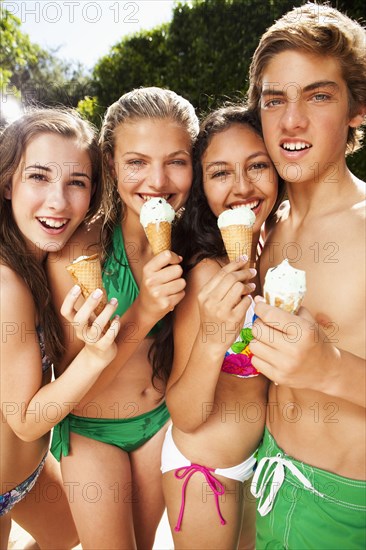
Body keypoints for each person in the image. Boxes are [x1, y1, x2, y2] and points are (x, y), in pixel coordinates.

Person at [46, 87, 199, 549]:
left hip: (157, 420)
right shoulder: (76, 254)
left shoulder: (193, 244)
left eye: (177, 160)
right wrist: (147, 306)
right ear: (110, 162)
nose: (158, 179)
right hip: (91, 429)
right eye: (137, 162)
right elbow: (78, 379)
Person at [246, 3, 366, 548]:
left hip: (344, 507)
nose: (291, 120)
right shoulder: (262, 229)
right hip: (264, 476)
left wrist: (330, 368)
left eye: (318, 96)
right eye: (275, 100)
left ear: (357, 108)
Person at [161, 105, 284, 549]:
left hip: (262, 466)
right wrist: (214, 338)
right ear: (201, 188)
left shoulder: (278, 250)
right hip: (204, 472)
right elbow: (185, 413)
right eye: (219, 173)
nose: (242, 187)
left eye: (257, 165)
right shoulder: (207, 275)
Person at [0, 108, 121, 549]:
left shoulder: (40, 263)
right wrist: (95, 355)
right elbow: (27, 422)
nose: (58, 201)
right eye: (38, 176)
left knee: (71, 530)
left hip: (25, 479)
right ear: (7, 182)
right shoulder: (6, 283)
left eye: (77, 182)